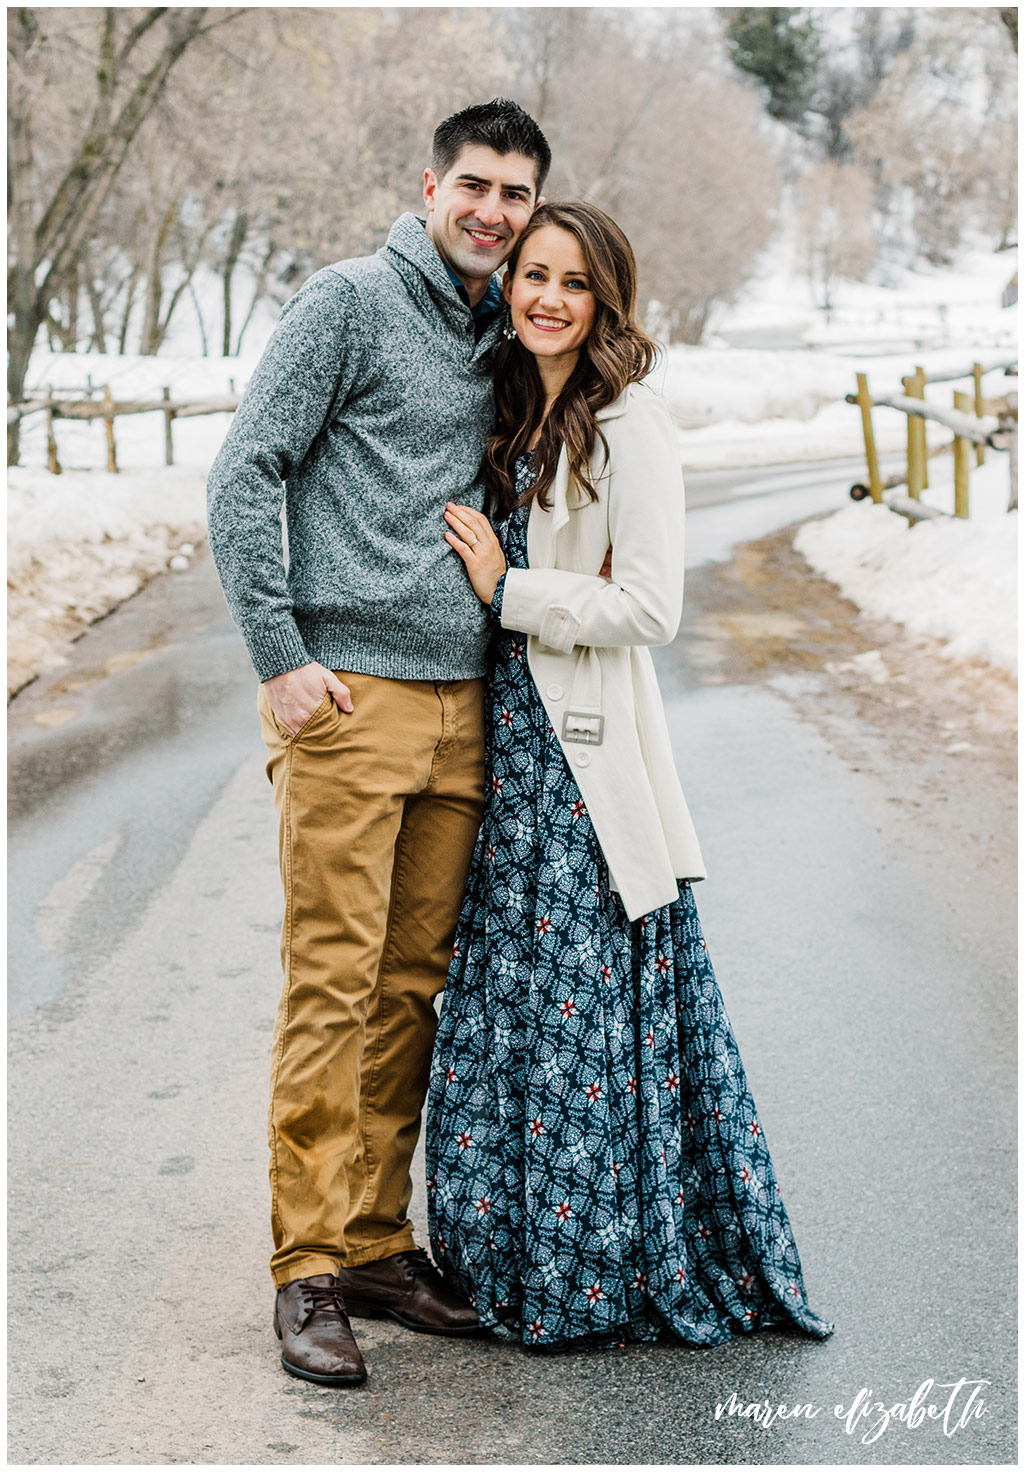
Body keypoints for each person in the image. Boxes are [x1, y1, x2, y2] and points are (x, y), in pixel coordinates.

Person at [426, 202, 834, 1350]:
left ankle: (590, 1264)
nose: (545, 296)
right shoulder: (516, 401)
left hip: (577, 752)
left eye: (572, 282)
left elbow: (651, 605)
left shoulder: (627, 419)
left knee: (578, 1010)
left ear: (607, 300)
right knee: (507, 1003)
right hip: (502, 740)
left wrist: (514, 592)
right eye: (531, 274)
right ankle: (499, 1251)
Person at [206, 99, 551, 1386]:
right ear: (428, 185)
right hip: (350, 700)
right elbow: (247, 470)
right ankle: (303, 1268)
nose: (491, 212)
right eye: (474, 185)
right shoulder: (345, 301)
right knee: (332, 985)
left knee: (411, 992)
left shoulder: (497, 328)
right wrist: (282, 658)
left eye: (514, 195)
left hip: (463, 706)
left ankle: (370, 1238)